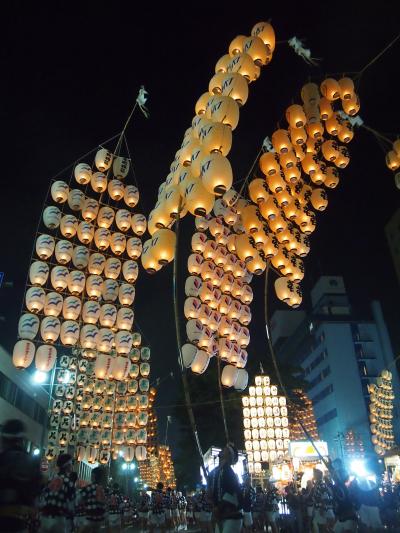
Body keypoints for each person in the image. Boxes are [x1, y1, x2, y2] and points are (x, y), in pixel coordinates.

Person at [0, 419, 42, 533]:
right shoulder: (32, 462)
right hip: (21, 520)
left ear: (4, 439)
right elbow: (36, 491)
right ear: (22, 439)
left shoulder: (3, 458)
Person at [209, 443, 243, 533]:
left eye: (225, 450)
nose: (222, 450)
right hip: (221, 516)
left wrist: (218, 508)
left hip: (232, 515)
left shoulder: (229, 472)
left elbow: (230, 494)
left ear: (228, 455)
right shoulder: (217, 471)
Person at [39, 453, 76, 532]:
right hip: (59, 518)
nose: (72, 466)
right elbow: (71, 504)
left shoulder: (50, 479)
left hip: (44, 517)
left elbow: (42, 496)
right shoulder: (69, 482)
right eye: (71, 463)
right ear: (67, 465)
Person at [76, 466, 107, 532]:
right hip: (99, 519)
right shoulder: (102, 489)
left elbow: (78, 499)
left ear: (94, 476)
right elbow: (105, 504)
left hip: (90, 518)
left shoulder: (89, 488)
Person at [312, 468, 334, 532]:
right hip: (319, 508)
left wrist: (322, 508)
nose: (313, 475)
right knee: (320, 526)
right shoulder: (318, 484)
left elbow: (324, 497)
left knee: (322, 527)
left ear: (317, 475)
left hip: (321, 508)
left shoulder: (321, 484)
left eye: (314, 474)